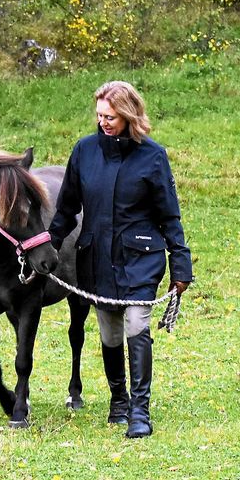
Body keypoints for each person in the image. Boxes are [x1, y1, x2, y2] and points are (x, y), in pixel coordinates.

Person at [49, 81, 193, 438]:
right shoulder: (84, 151)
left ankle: (140, 412)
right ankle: (118, 401)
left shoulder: (153, 157)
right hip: (96, 258)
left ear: (129, 115)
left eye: (110, 117)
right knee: (109, 332)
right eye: (99, 116)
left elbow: (169, 216)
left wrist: (181, 266)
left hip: (140, 258)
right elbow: (66, 209)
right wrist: (47, 246)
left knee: (135, 326)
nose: (104, 123)